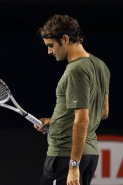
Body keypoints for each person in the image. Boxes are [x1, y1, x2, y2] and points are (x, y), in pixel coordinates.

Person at [35, 14, 110, 185]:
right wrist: (56, 120)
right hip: (89, 155)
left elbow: (82, 120)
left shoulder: (76, 70)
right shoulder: (100, 65)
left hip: (66, 156)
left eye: (51, 46)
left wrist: (73, 165)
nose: (49, 52)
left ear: (66, 39)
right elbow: (103, 112)